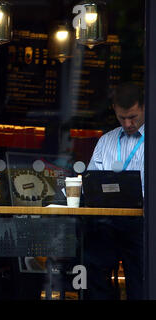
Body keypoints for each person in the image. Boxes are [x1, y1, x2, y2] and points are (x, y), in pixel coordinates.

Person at [84, 82, 144, 299]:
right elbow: (90, 184)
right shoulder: (106, 140)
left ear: (145, 108)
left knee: (140, 283)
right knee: (96, 278)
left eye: (133, 117)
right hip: (106, 222)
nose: (128, 123)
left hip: (141, 223)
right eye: (122, 118)